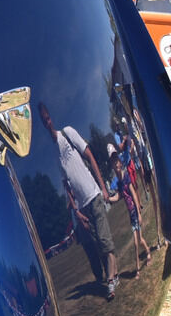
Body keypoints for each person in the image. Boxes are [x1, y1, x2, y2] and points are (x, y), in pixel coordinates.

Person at [39, 102, 118, 299]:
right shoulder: (55, 155)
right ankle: (111, 275)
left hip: (94, 195)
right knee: (96, 244)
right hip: (83, 205)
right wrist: (76, 210)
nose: (47, 122)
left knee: (104, 239)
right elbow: (67, 186)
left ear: (51, 118)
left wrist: (102, 187)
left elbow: (90, 156)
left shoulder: (67, 133)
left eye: (48, 118)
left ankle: (111, 282)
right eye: (44, 121)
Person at [107, 144, 151, 273]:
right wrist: (107, 199)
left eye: (116, 161)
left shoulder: (126, 177)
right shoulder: (119, 183)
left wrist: (139, 212)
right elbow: (117, 197)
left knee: (137, 242)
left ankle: (137, 268)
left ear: (120, 162)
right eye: (112, 162)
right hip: (131, 215)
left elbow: (133, 194)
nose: (115, 164)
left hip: (135, 213)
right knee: (138, 240)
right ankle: (147, 252)